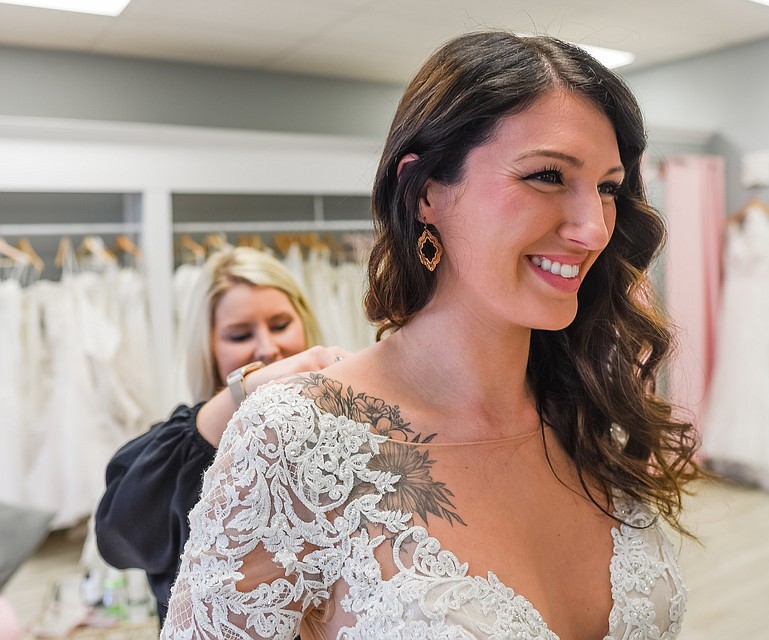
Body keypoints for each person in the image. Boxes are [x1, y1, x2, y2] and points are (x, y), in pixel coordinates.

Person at [161, 31, 701, 640]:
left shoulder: (594, 409)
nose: (593, 229)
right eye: (549, 175)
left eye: (607, 187)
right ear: (426, 193)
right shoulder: (294, 441)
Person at [94, 246, 347, 623]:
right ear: (208, 347)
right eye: (240, 334)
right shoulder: (176, 453)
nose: (267, 347)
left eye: (280, 325)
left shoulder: (343, 436)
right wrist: (246, 389)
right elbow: (117, 538)